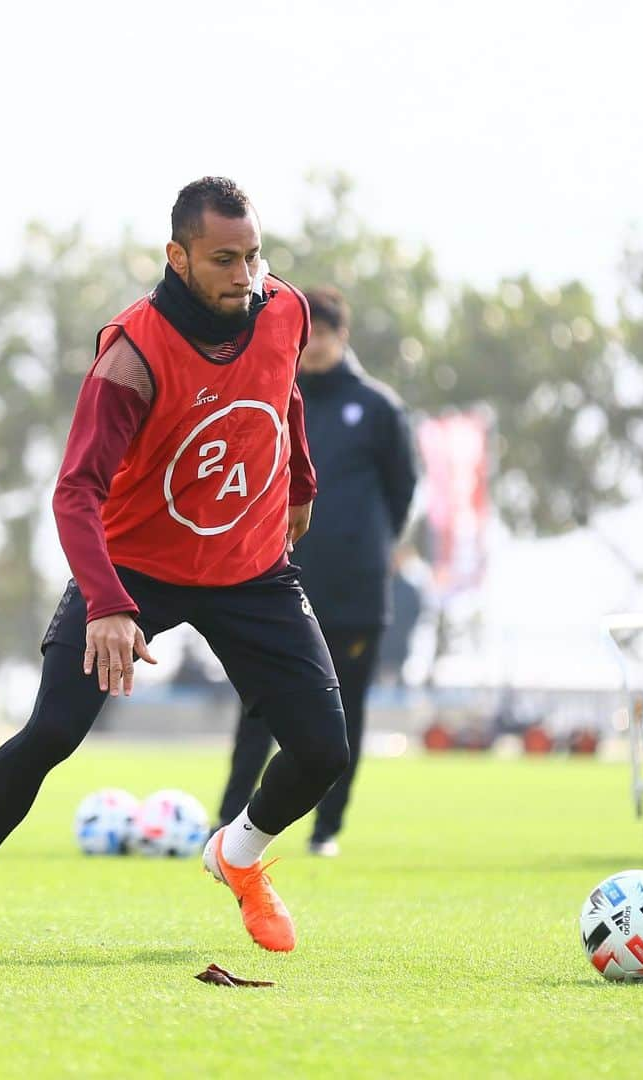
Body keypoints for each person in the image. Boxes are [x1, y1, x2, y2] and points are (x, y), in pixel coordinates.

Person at [0, 177, 348, 957]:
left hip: (251, 567)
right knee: (52, 734)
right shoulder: (133, 352)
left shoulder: (285, 308)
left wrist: (301, 480)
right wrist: (106, 602)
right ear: (178, 257)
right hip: (135, 568)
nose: (245, 276)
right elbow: (75, 491)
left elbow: (286, 393)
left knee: (324, 753)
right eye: (224, 259)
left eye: (254, 256)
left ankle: (234, 857)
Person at [215, 287, 417, 856]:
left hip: (354, 589)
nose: (313, 348)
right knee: (259, 709)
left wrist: (367, 544)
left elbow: (402, 492)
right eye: (306, 339)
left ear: (341, 337)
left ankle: (326, 830)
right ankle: (229, 819)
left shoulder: (378, 408)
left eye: (322, 336)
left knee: (342, 714)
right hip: (274, 580)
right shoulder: (273, 393)